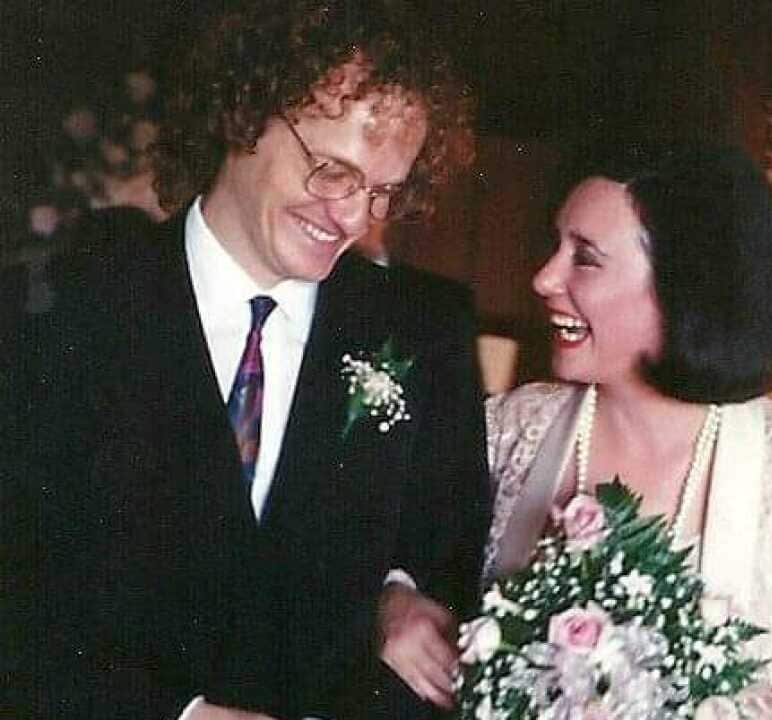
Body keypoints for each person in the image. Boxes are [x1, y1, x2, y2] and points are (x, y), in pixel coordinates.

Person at [4, 2, 491, 718]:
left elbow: (452, 562)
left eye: (383, 192)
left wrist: (399, 592)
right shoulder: (55, 313)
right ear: (246, 114)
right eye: (332, 171)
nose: (354, 219)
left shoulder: (423, 332)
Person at [483, 143, 772, 719]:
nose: (544, 278)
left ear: (681, 285)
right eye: (555, 246)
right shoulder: (512, 427)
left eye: (584, 257)